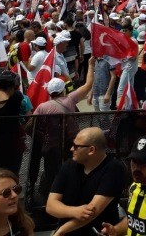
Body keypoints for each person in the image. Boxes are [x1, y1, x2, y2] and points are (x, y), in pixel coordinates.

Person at [28, 58, 95, 200]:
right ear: (63, 89)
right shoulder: (70, 100)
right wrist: (90, 65)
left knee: (52, 174)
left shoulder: (42, 107)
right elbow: (88, 84)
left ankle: (50, 201)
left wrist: (42, 136)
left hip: (50, 146)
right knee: (72, 170)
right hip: (71, 144)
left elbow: (30, 127)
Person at [45, 127, 128, 236]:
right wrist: (75, 211)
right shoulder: (68, 166)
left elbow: (92, 212)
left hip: (97, 232)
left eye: (76, 146)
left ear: (91, 150)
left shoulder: (113, 168)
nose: (71, 149)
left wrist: (62, 230)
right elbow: (51, 206)